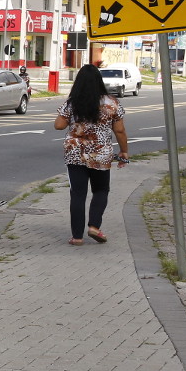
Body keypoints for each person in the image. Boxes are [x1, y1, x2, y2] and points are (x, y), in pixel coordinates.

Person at [53, 64, 130, 246]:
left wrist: (74, 120)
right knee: (101, 190)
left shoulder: (72, 102)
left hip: (75, 153)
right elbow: (119, 131)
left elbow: (59, 125)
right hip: (101, 153)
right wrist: (124, 151)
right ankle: (94, 226)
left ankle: (77, 237)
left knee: (78, 194)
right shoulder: (112, 103)